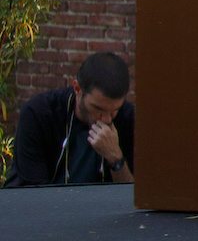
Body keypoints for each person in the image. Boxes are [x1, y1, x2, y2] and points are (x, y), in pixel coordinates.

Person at [6, 52, 135, 187]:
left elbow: (131, 197)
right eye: (98, 108)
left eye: (115, 109)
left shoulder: (126, 117)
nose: (107, 118)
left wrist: (115, 159)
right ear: (77, 89)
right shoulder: (38, 113)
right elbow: (33, 194)